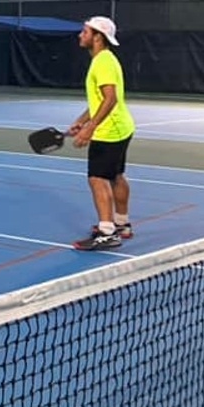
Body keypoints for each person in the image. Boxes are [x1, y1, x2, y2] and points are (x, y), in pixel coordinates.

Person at [68, 16, 135, 251]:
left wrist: (91, 127)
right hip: (121, 127)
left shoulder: (103, 62)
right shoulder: (104, 59)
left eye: (84, 32)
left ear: (97, 37)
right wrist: (81, 120)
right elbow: (100, 100)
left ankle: (107, 233)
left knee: (98, 178)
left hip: (109, 131)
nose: (80, 35)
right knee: (116, 175)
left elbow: (110, 98)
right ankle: (122, 224)